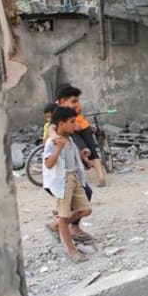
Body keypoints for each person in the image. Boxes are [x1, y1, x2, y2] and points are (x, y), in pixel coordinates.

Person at [42, 106, 92, 263]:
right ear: (61, 124)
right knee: (64, 216)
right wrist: (58, 148)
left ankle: (56, 225)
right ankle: (71, 250)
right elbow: (48, 164)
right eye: (71, 122)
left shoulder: (70, 139)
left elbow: (73, 158)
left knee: (85, 210)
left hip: (74, 178)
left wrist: (83, 158)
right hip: (62, 181)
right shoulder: (52, 142)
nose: (74, 125)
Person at [55, 85, 107, 187]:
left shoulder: (60, 107)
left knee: (83, 150)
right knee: (89, 151)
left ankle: (97, 173)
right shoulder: (63, 106)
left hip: (79, 128)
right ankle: (100, 176)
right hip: (80, 127)